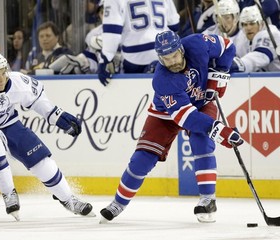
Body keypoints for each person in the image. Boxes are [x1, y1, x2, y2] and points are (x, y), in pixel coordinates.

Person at [99, 31, 244, 224]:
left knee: (201, 142)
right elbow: (188, 119)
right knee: (141, 159)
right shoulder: (163, 80)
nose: (173, 62)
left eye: (175, 55)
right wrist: (220, 130)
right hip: (166, 113)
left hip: (202, 101)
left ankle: (208, 199)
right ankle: (118, 203)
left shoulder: (198, 43)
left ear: (181, 49)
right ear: (160, 58)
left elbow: (227, 46)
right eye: (166, 59)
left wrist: (220, 74)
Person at [0, 50, 95, 221]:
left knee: (41, 162)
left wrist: (56, 115)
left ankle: (68, 199)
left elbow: (37, 100)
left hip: (10, 124)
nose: (2, 79)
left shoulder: (17, 81)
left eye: (3, 73)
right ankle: (9, 193)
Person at [97, 0, 180, 86]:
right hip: (163, 54)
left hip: (134, 57)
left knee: (135, 93)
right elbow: (174, 25)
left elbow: (112, 30)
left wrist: (105, 58)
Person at [230, 5, 280, 72]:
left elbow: (261, 57)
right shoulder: (241, 39)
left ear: (261, 24)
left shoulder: (271, 33)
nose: (248, 28)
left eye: (252, 23)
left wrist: (238, 64)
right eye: (245, 24)